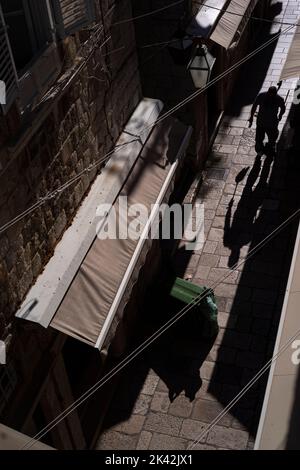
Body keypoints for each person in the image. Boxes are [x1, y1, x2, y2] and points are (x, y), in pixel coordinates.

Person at [248, 86, 286, 155]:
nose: (271, 96)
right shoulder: (277, 98)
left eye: (272, 94)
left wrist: (280, 115)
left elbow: (283, 108)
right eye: (270, 94)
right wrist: (251, 117)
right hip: (263, 122)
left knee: (271, 137)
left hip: (270, 122)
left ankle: (268, 147)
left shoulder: (277, 98)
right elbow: (254, 106)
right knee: (260, 137)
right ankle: (261, 150)